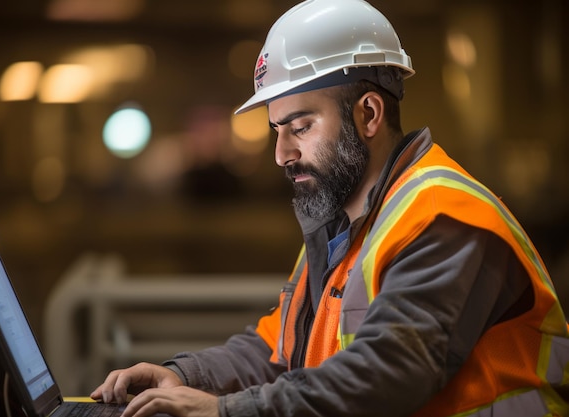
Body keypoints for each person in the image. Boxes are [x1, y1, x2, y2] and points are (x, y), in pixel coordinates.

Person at [91, 0, 569, 416]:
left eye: (300, 127)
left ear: (368, 114)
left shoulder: (444, 218)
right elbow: (276, 349)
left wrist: (226, 411)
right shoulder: (344, 225)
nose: (281, 154)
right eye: (276, 130)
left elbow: (384, 376)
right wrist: (183, 376)